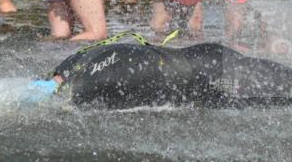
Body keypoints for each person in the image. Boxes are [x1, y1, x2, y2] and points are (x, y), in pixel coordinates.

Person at [30, 36, 292, 109]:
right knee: (272, 98)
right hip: (199, 68)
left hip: (206, 65)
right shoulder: (80, 65)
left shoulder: (89, 82)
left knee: (278, 88)